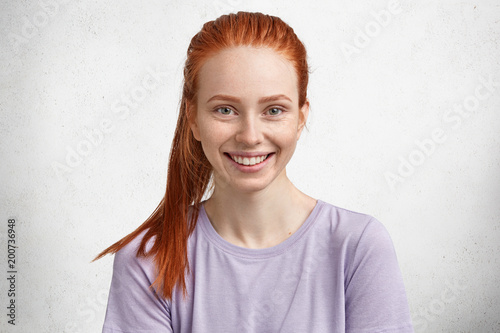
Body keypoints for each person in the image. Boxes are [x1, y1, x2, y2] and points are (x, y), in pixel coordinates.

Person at [93, 11, 414, 333]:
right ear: (192, 118)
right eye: (225, 109)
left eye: (274, 110)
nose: (250, 136)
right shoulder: (146, 259)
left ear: (301, 117)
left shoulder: (358, 246)